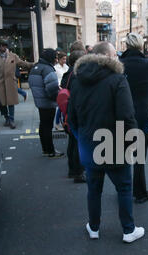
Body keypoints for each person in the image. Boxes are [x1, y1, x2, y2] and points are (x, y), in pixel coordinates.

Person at [67, 41, 144, 243]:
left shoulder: (77, 80)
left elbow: (72, 119)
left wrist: (82, 139)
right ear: (107, 57)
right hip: (114, 145)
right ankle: (128, 230)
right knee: (124, 188)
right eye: (115, 55)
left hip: (89, 147)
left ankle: (94, 228)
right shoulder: (118, 80)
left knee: (94, 190)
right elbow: (127, 117)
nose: (118, 58)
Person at [120, 33, 148, 204]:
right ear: (140, 45)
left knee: (121, 155)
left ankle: (123, 191)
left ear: (126, 45)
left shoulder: (118, 64)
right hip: (142, 115)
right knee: (139, 157)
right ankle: (139, 192)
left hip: (121, 116)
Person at [28, 48, 63, 158]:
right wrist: (57, 96)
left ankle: (45, 149)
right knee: (48, 127)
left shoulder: (35, 68)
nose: (56, 60)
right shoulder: (48, 69)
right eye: (55, 57)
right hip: (48, 102)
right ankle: (51, 151)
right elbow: (52, 89)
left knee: (43, 125)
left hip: (40, 102)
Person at [0, 39, 33, 129]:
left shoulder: (13, 56)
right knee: (2, 103)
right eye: (1, 46)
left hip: (10, 82)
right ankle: (6, 118)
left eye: (4, 45)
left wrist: (32, 64)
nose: (3, 47)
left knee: (11, 102)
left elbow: (22, 63)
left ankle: (12, 120)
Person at [61, 49, 87, 182]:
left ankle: (72, 169)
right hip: (77, 111)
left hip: (68, 112)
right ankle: (78, 172)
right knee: (78, 142)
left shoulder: (68, 74)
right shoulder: (78, 74)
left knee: (72, 142)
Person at [54, 51, 69, 131]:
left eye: (65, 59)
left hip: (65, 88)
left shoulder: (66, 67)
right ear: (59, 59)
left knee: (64, 107)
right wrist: (59, 87)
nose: (65, 61)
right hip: (59, 89)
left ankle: (63, 122)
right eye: (63, 59)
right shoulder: (56, 68)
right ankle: (57, 123)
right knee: (61, 107)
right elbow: (55, 79)